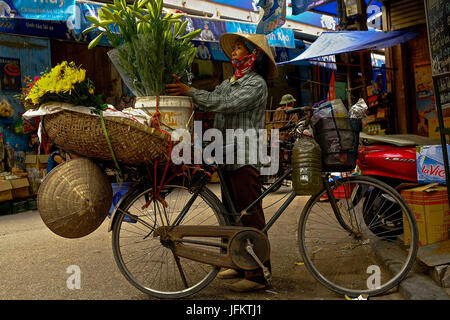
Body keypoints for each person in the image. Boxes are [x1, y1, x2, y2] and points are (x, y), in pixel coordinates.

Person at [166, 32, 278, 292]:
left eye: (240, 48)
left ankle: (258, 274)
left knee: (250, 215)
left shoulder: (256, 84)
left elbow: (221, 103)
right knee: (229, 215)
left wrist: (190, 92)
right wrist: (186, 90)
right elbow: (215, 96)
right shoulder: (231, 81)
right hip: (226, 155)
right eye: (235, 48)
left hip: (245, 157)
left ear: (254, 55)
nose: (235, 52)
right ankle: (237, 262)